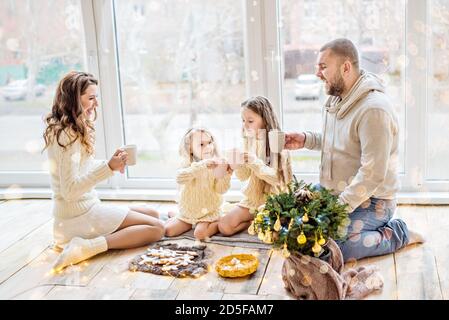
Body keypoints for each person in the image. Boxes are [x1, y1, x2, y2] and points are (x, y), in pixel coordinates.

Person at [284, 38, 424, 261]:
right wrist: (306, 140)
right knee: (292, 222)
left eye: (323, 67)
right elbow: (342, 142)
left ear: (346, 67)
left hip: (373, 200)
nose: (318, 74)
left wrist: (334, 211)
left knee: (331, 249)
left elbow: (372, 175)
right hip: (336, 190)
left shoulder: (373, 110)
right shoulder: (339, 98)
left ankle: (398, 233)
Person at [43, 71, 164, 272]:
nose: (96, 104)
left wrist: (110, 164)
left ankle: (84, 239)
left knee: (152, 213)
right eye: (91, 98)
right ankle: (87, 247)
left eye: (96, 97)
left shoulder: (73, 127)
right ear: (73, 100)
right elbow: (70, 191)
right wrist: (108, 168)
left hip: (85, 208)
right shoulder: (67, 135)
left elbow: (81, 168)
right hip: (77, 216)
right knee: (157, 228)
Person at [218, 96, 293, 236]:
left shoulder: (279, 144)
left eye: (250, 121)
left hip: (275, 201)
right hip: (254, 200)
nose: (245, 125)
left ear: (265, 120)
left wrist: (255, 162)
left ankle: (263, 222)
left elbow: (279, 179)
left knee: (276, 234)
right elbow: (243, 176)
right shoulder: (249, 141)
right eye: (243, 120)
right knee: (224, 226)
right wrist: (237, 165)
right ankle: (256, 222)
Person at [164, 128, 232, 240]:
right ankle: (180, 217)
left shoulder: (217, 164)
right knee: (168, 231)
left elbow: (221, 190)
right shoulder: (189, 165)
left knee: (200, 234)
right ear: (190, 149)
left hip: (209, 211)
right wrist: (203, 165)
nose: (208, 147)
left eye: (210, 142)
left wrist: (226, 175)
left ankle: (220, 220)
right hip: (189, 212)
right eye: (201, 144)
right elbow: (180, 178)